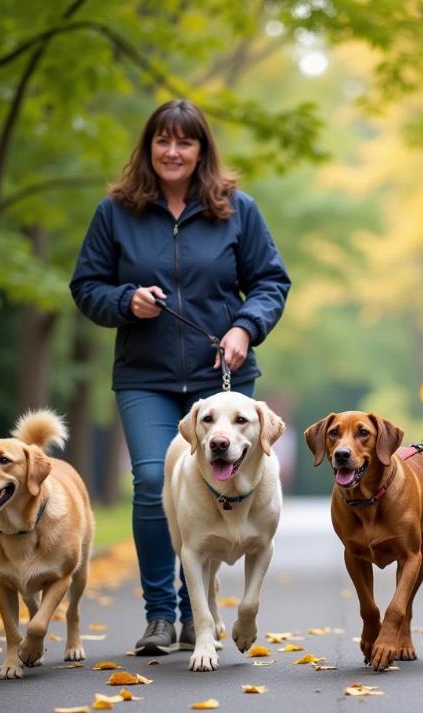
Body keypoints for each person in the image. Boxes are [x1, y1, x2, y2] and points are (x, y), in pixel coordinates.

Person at [70, 99, 290, 656]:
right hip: (147, 375)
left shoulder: (238, 210)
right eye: (163, 141)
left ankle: (204, 616)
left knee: (223, 488)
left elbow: (270, 281)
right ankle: (161, 616)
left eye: (185, 142)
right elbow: (86, 286)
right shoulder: (115, 212)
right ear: (148, 148)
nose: (173, 151)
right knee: (151, 481)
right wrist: (126, 300)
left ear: (201, 151)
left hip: (224, 380)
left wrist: (245, 327)